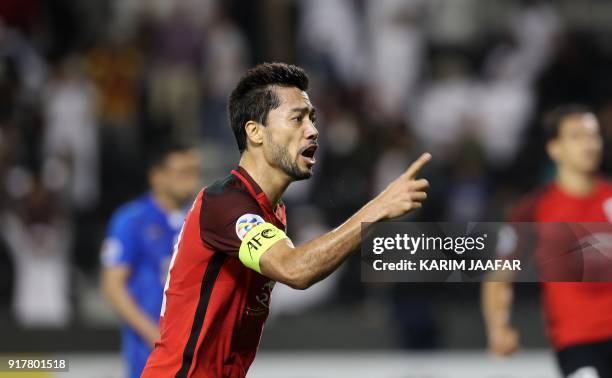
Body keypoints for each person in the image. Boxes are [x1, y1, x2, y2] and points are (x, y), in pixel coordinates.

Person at [142, 62, 431, 377]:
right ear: (255, 132)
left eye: (312, 118)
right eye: (297, 118)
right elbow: (294, 270)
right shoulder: (226, 203)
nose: (313, 130)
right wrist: (376, 209)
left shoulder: (271, 212)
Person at [482, 105, 612, 378]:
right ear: (555, 149)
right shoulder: (534, 209)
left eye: (593, 135)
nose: (589, 144)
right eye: (577, 136)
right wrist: (499, 327)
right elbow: (500, 276)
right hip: (578, 343)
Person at [101, 142, 200, 378]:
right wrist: (155, 335)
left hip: (196, 355)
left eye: (193, 172)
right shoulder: (131, 220)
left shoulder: (200, 219)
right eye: (181, 173)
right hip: (150, 359)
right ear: (157, 177)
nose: (190, 180)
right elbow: (112, 286)